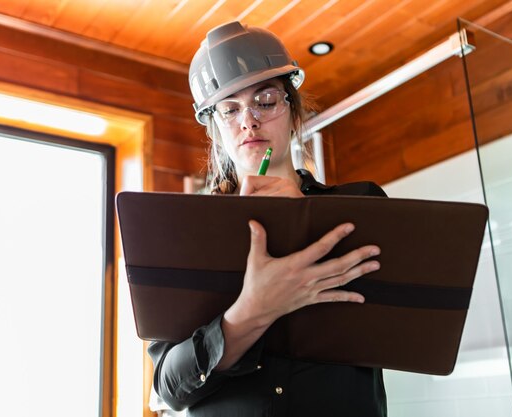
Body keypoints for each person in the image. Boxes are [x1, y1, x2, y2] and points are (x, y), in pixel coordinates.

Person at [148, 21, 388, 416]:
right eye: (229, 109)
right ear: (215, 130)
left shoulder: (362, 205)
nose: (248, 120)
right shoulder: (186, 236)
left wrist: (308, 221)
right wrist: (251, 313)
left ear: (293, 110)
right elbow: (169, 387)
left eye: (265, 99)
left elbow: (403, 330)